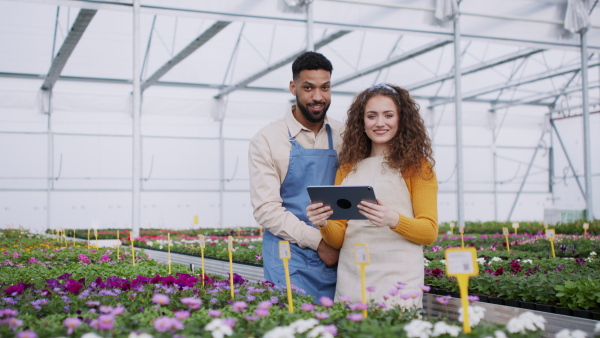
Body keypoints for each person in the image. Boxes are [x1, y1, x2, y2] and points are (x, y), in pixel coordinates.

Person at [306, 83, 438, 308]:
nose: (379, 123)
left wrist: (392, 219)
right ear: (361, 121)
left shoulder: (418, 167)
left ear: (401, 119)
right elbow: (338, 237)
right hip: (353, 273)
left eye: (388, 115)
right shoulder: (348, 168)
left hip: (399, 276)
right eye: (371, 116)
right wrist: (324, 222)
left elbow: (429, 232)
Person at [248, 51, 343, 299]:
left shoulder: (344, 134)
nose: (318, 97)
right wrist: (320, 243)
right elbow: (266, 209)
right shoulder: (268, 139)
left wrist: (335, 242)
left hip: (338, 252)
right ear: (293, 87)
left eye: (325, 88)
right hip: (288, 255)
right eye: (308, 88)